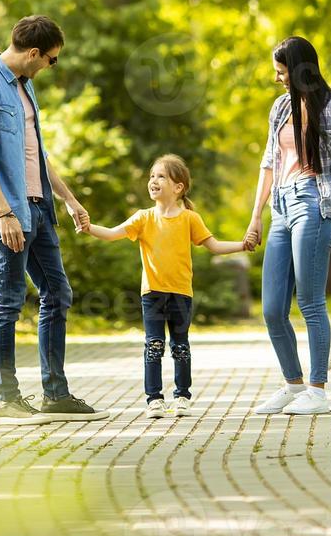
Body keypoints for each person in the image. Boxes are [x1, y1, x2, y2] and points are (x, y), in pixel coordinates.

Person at [0, 15, 109, 425]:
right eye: (51, 60)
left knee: (58, 294)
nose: (50, 66)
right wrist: (4, 211)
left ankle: (55, 394)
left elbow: (37, 155)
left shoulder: (25, 89)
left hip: (40, 209)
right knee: (8, 304)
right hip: (9, 213)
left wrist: (70, 200)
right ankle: (8, 400)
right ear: (32, 53)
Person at [242, 36, 331, 416]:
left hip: (315, 203)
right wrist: (256, 215)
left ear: (297, 70)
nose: (276, 78)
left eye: (281, 71)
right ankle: (293, 385)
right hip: (281, 206)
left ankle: (318, 389)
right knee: (272, 308)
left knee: (310, 302)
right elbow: (268, 163)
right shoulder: (280, 108)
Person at [84, 154, 248, 417]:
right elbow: (114, 233)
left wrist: (243, 244)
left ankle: (182, 396)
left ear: (178, 187)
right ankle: (154, 399)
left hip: (181, 293)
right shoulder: (143, 218)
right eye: (152, 176)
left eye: (161, 176)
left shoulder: (190, 219)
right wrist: (89, 226)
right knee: (154, 345)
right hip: (152, 293)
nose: (153, 180)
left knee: (180, 346)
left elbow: (214, 247)